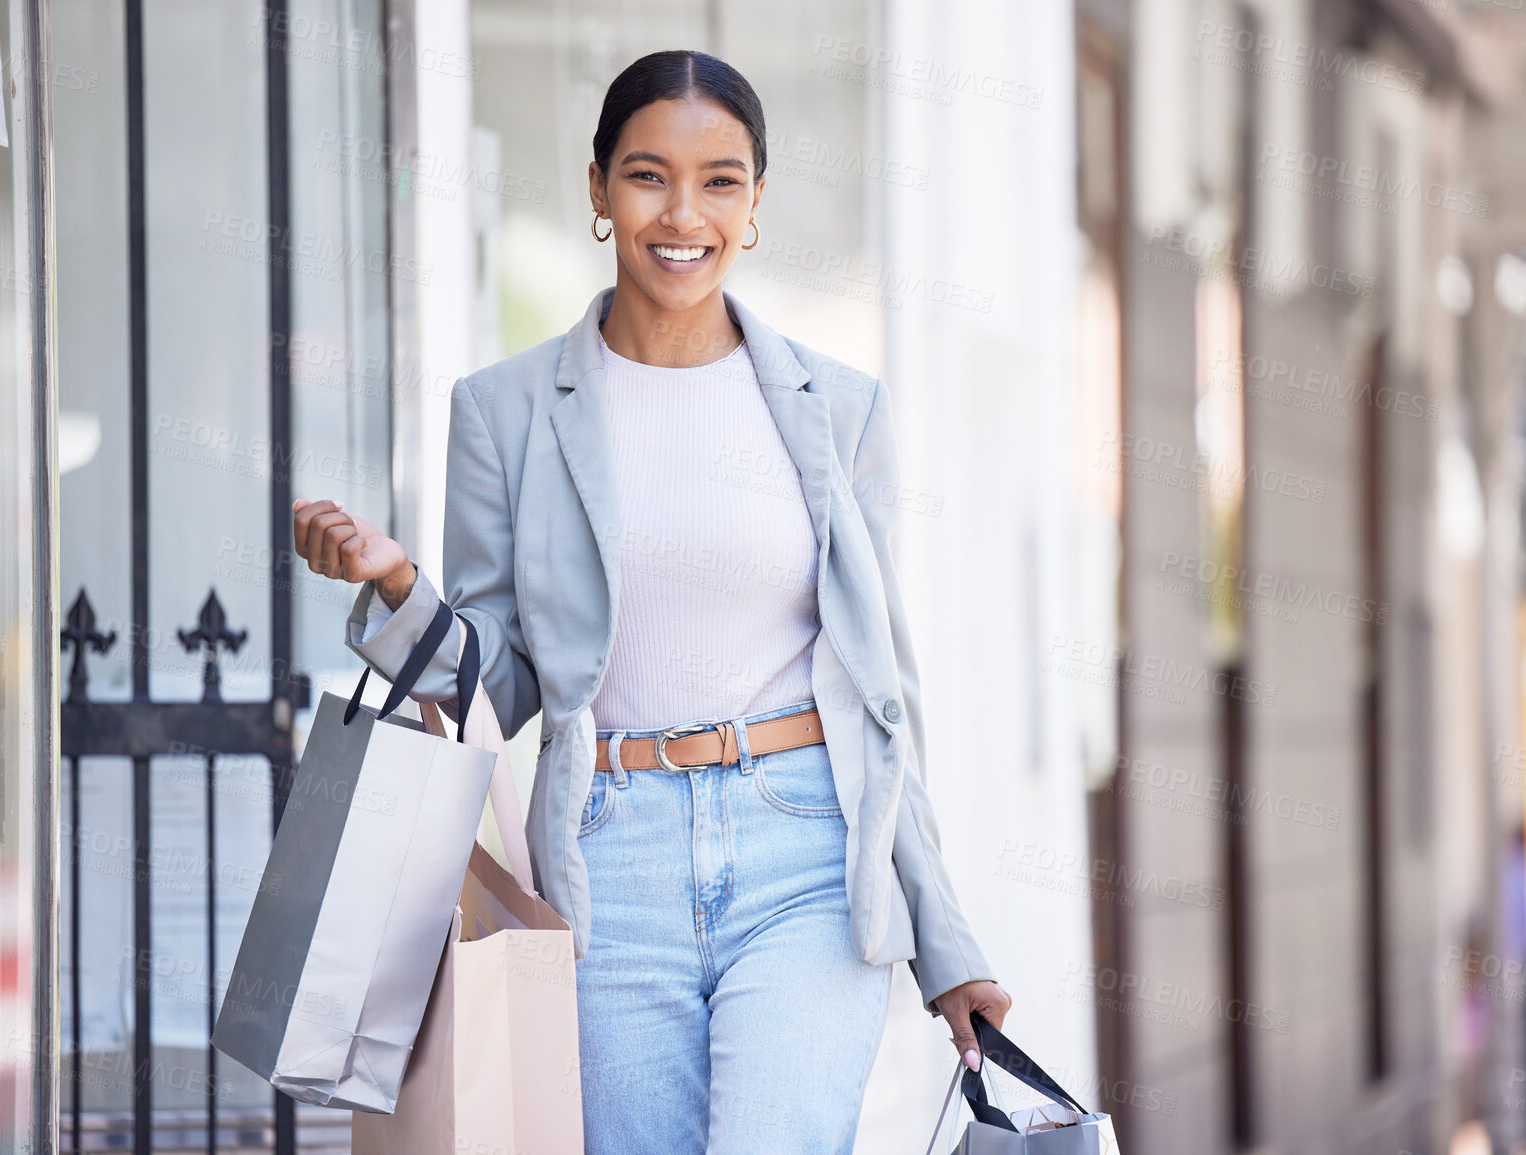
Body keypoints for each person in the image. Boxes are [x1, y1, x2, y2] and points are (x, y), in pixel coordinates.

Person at [292, 48, 1008, 1154]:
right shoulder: (506, 411)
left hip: (805, 848)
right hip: (607, 858)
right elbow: (499, 684)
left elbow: (883, 699)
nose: (684, 213)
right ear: (596, 190)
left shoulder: (842, 412)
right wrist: (396, 586)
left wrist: (947, 941)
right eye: (647, 175)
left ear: (756, 201)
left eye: (720, 179)